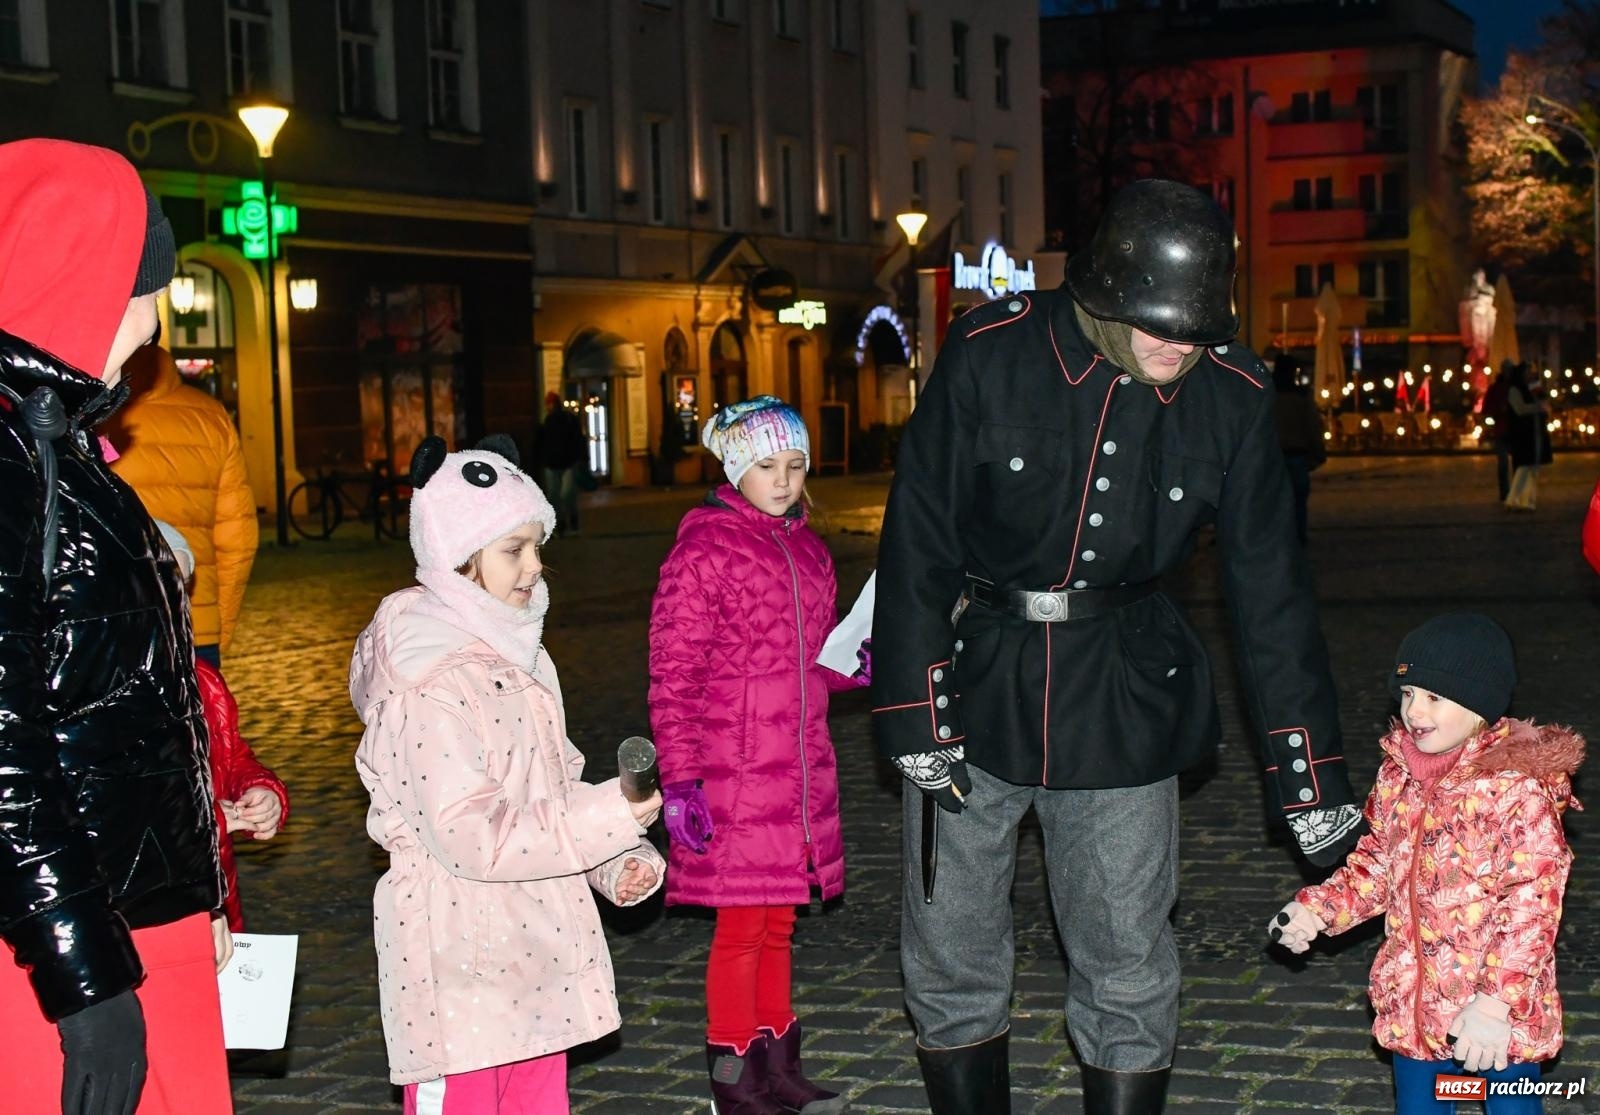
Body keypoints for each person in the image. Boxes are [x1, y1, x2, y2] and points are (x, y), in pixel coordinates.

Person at [871, 178, 1364, 1115]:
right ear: (1104, 293)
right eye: (1159, 326)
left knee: (1130, 957)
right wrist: (912, 713)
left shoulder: (1234, 395)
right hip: (974, 684)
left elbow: (1272, 598)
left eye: (1196, 330)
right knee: (951, 947)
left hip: (1126, 693)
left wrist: (1311, 779)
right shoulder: (991, 353)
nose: (1180, 348)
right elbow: (920, 539)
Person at [0, 138, 230, 1114]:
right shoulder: (16, 465)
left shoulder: (64, 449)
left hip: (135, 913)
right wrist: (84, 976)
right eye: (145, 287)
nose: (151, 323)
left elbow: (145, 704)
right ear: (75, 271)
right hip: (64, 937)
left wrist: (200, 891)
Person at [352, 432, 664, 1113]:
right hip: (456, 969)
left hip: (533, 960)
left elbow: (549, 795)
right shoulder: (427, 682)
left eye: (537, 547)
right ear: (456, 558)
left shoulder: (519, 656)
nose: (534, 567)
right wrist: (607, 817)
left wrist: (614, 858)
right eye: (513, 550)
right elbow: (472, 836)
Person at [1270, 613, 1582, 1114]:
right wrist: (1320, 909)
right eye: (1409, 692)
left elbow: (1532, 905)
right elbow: (1377, 863)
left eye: (1435, 697)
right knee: (1421, 1106)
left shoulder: (1515, 790)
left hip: (1493, 1018)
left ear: (1479, 706)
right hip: (1414, 1007)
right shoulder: (1399, 776)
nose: (1415, 710)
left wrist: (1494, 1003)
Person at [649, 396, 865, 1115]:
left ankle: (777, 1057)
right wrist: (679, 779)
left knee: (779, 920)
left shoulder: (808, 547)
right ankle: (733, 1071)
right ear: (735, 468)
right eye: (767, 465)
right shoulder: (703, 551)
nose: (784, 479)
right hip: (734, 774)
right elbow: (674, 674)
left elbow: (811, 659)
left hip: (796, 770)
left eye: (796, 465)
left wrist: (852, 663)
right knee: (741, 925)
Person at [156, 521, 288, 933]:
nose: (168, 599)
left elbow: (231, 760)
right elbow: (128, 812)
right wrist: (209, 821)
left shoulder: (201, 679)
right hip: (155, 909)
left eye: (179, 586)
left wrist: (261, 791)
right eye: (153, 584)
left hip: (216, 895)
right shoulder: (106, 692)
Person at [106, 344, 260, 667]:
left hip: (117, 628)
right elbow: (238, 541)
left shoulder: (95, 420)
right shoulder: (212, 417)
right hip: (195, 626)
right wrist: (217, 626)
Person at [1272, 354, 1326, 543]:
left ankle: (1276, 539)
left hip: (1271, 458)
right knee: (1298, 502)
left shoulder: (1266, 396)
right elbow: (1312, 427)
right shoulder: (1301, 397)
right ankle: (1297, 538)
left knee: (1273, 503)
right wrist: (1318, 453)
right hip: (1296, 455)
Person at [1503, 362, 1552, 511]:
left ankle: (1528, 501)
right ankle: (1513, 499)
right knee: (1524, 466)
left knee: (1533, 469)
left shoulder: (1533, 389)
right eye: (1527, 372)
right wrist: (1538, 407)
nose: (1530, 374)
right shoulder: (1514, 389)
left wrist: (1541, 402)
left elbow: (1544, 403)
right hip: (1522, 433)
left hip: (1536, 432)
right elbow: (1520, 409)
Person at [538, 390, 587, 534]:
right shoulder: (547, 421)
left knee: (566, 494)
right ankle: (562, 524)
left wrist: (579, 458)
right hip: (554, 464)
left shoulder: (567, 419)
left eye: (551, 403)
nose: (550, 406)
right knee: (556, 497)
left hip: (567, 463)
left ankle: (571, 520)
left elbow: (578, 439)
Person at [1481, 360, 1515, 502]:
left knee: (1517, 465)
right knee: (1503, 464)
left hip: (1514, 431)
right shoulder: (1495, 389)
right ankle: (1505, 492)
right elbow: (1487, 408)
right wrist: (1499, 411)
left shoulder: (1515, 387)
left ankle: (1515, 492)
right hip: (1502, 430)